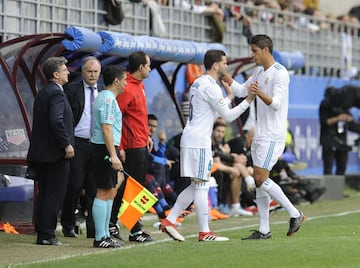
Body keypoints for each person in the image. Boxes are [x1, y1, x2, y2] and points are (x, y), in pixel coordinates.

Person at [159, 49, 255, 242]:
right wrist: (248, 100)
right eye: (225, 63)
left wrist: (228, 98)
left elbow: (210, 110)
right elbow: (227, 116)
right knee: (202, 185)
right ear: (215, 65)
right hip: (199, 141)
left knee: (197, 185)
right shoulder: (210, 86)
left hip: (192, 137)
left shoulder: (199, 83)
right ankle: (204, 232)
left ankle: (169, 221)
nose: (227, 66)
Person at [223, 34, 306, 240]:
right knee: (260, 183)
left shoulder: (280, 73)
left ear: (266, 50)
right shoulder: (259, 71)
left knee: (260, 178)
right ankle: (263, 230)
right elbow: (243, 90)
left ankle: (295, 213)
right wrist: (224, 75)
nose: (252, 55)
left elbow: (276, 103)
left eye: (255, 51)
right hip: (260, 133)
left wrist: (259, 92)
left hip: (273, 134)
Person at [27, 57, 75, 246]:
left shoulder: (44, 92)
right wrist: (66, 144)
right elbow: (56, 121)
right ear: (56, 74)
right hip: (55, 153)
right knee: (53, 193)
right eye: (64, 70)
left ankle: (42, 231)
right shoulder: (56, 93)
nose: (68, 72)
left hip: (43, 152)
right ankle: (47, 234)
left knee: (45, 192)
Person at [109, 51, 155, 243]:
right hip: (130, 147)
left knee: (135, 188)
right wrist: (119, 147)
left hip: (140, 143)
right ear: (141, 67)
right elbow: (116, 118)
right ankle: (129, 228)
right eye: (149, 65)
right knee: (131, 188)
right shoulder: (126, 88)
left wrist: (147, 136)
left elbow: (138, 117)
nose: (150, 68)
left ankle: (123, 224)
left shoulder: (139, 86)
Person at [60, 56, 101, 239]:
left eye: (95, 72)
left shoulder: (105, 92)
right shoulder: (72, 89)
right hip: (78, 143)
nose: (92, 75)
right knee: (74, 186)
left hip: (97, 144)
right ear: (82, 72)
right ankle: (68, 224)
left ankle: (93, 229)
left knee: (95, 189)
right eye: (89, 71)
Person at [90, 65, 127, 248]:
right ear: (116, 81)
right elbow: (106, 128)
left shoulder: (109, 98)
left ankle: (105, 234)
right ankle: (100, 237)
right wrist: (113, 154)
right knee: (103, 191)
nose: (126, 83)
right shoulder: (107, 99)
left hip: (107, 148)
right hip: (102, 149)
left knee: (110, 191)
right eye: (125, 80)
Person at [319, 87, 354, 175]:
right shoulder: (325, 105)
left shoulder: (344, 105)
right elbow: (324, 122)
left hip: (341, 140)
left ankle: (339, 186)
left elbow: (351, 120)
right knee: (328, 168)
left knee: (341, 167)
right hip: (328, 140)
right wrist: (338, 118)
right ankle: (329, 187)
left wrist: (348, 118)